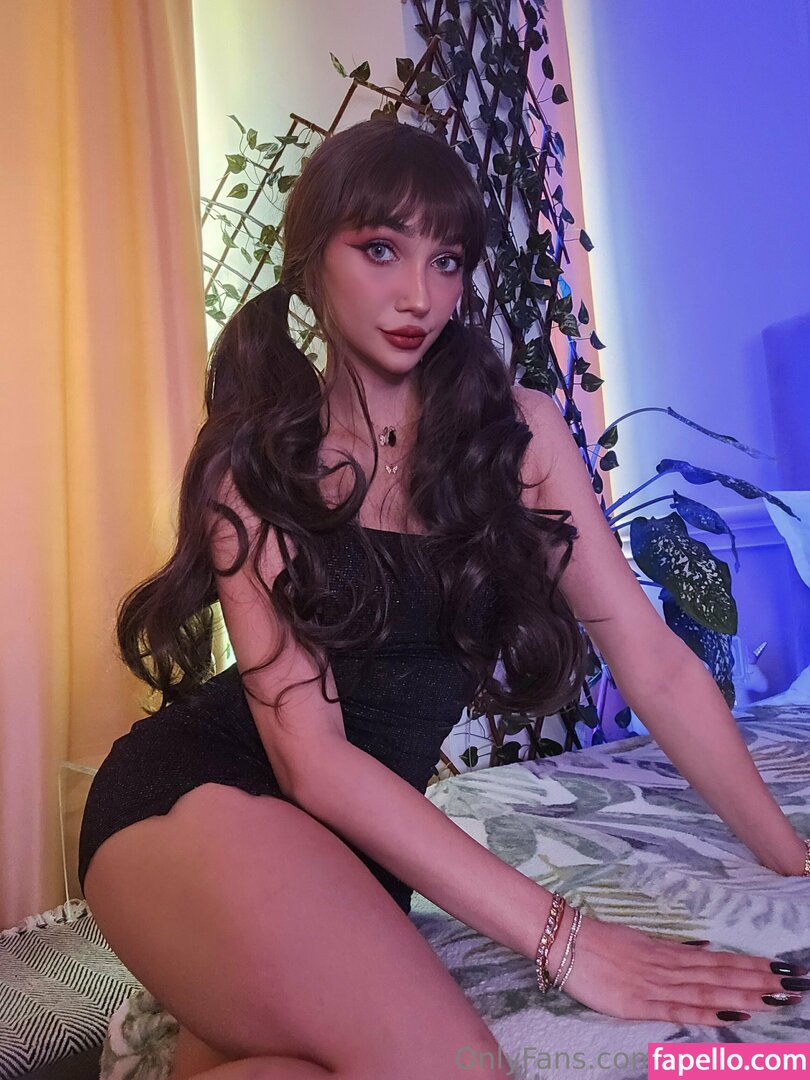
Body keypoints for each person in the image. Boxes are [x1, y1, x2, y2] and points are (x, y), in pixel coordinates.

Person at [78, 118, 809, 1080]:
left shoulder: (516, 437)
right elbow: (314, 764)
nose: (419, 295)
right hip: (206, 799)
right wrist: (571, 941)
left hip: (352, 853)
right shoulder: (253, 467)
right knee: (460, 1068)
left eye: (447, 261)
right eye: (380, 249)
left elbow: (654, 662)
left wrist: (790, 858)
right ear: (313, 259)